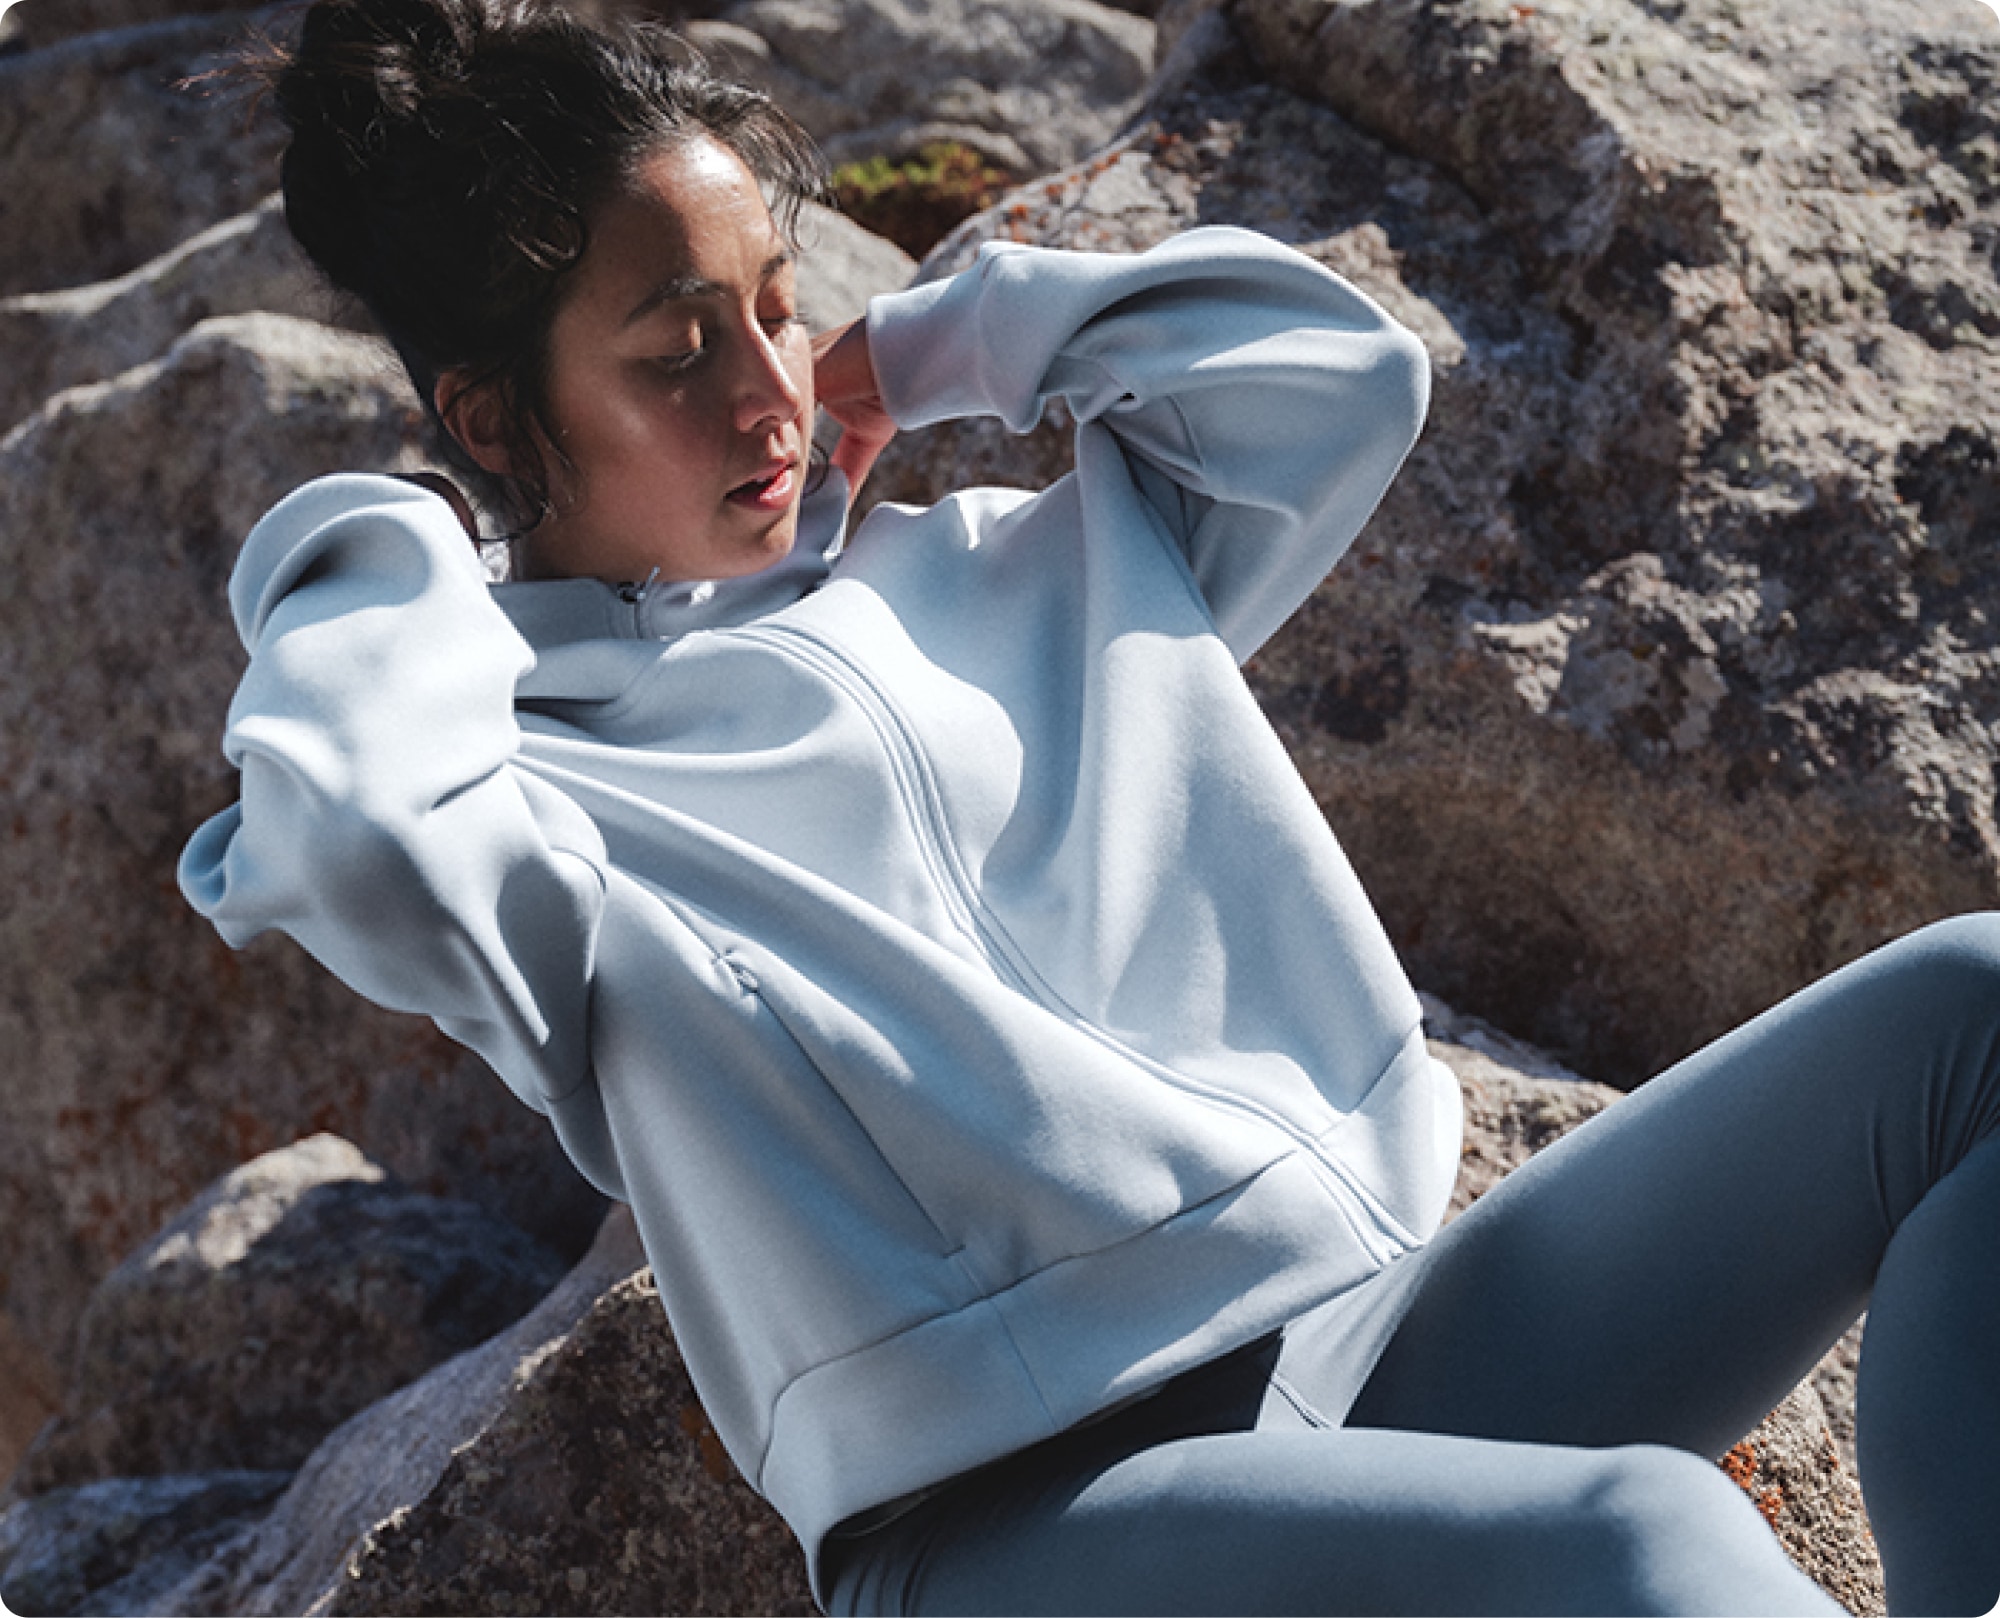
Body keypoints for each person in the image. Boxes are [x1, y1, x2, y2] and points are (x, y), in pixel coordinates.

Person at [180, 0, 2000, 1611]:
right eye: (678, 352)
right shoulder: (535, 806)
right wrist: (387, 536)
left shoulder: (1012, 564)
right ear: (497, 420)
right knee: (1644, 1537)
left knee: (1977, 1005)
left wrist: (941, 339)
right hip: (1027, 1520)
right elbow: (349, 832)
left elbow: (1342, 378)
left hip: (1380, 1338)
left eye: (778, 308)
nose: (767, 395)